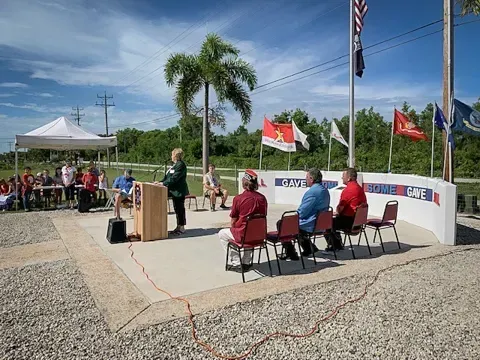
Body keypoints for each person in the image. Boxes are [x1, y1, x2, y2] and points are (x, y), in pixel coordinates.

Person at [218, 169, 267, 272]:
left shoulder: (238, 198)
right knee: (250, 231)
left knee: (222, 234)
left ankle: (236, 263)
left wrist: (234, 228)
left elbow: (233, 220)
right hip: (259, 235)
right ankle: (246, 261)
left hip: (243, 234)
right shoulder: (263, 198)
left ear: (244, 183)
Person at [281, 168, 331, 260]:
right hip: (321, 223)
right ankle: (309, 248)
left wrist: (292, 218)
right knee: (294, 226)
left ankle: (291, 253)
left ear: (311, 179)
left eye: (307, 177)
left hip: (311, 224)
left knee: (282, 224)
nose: (305, 179)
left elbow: (302, 212)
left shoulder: (312, 192)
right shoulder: (325, 190)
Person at [325, 167, 367, 252]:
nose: (342, 178)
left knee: (327, 222)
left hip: (349, 222)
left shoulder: (348, 190)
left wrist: (336, 212)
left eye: (343, 176)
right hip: (358, 222)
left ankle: (335, 245)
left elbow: (340, 209)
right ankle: (337, 244)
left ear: (349, 178)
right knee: (334, 221)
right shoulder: (360, 189)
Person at [156, 148, 188, 235]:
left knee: (180, 209)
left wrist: (163, 183)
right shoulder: (174, 165)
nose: (171, 156)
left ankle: (181, 227)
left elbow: (174, 178)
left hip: (178, 191)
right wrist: (160, 182)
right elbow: (168, 177)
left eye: (172, 154)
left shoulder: (180, 165)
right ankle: (178, 226)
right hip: (172, 190)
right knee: (176, 208)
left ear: (176, 155)